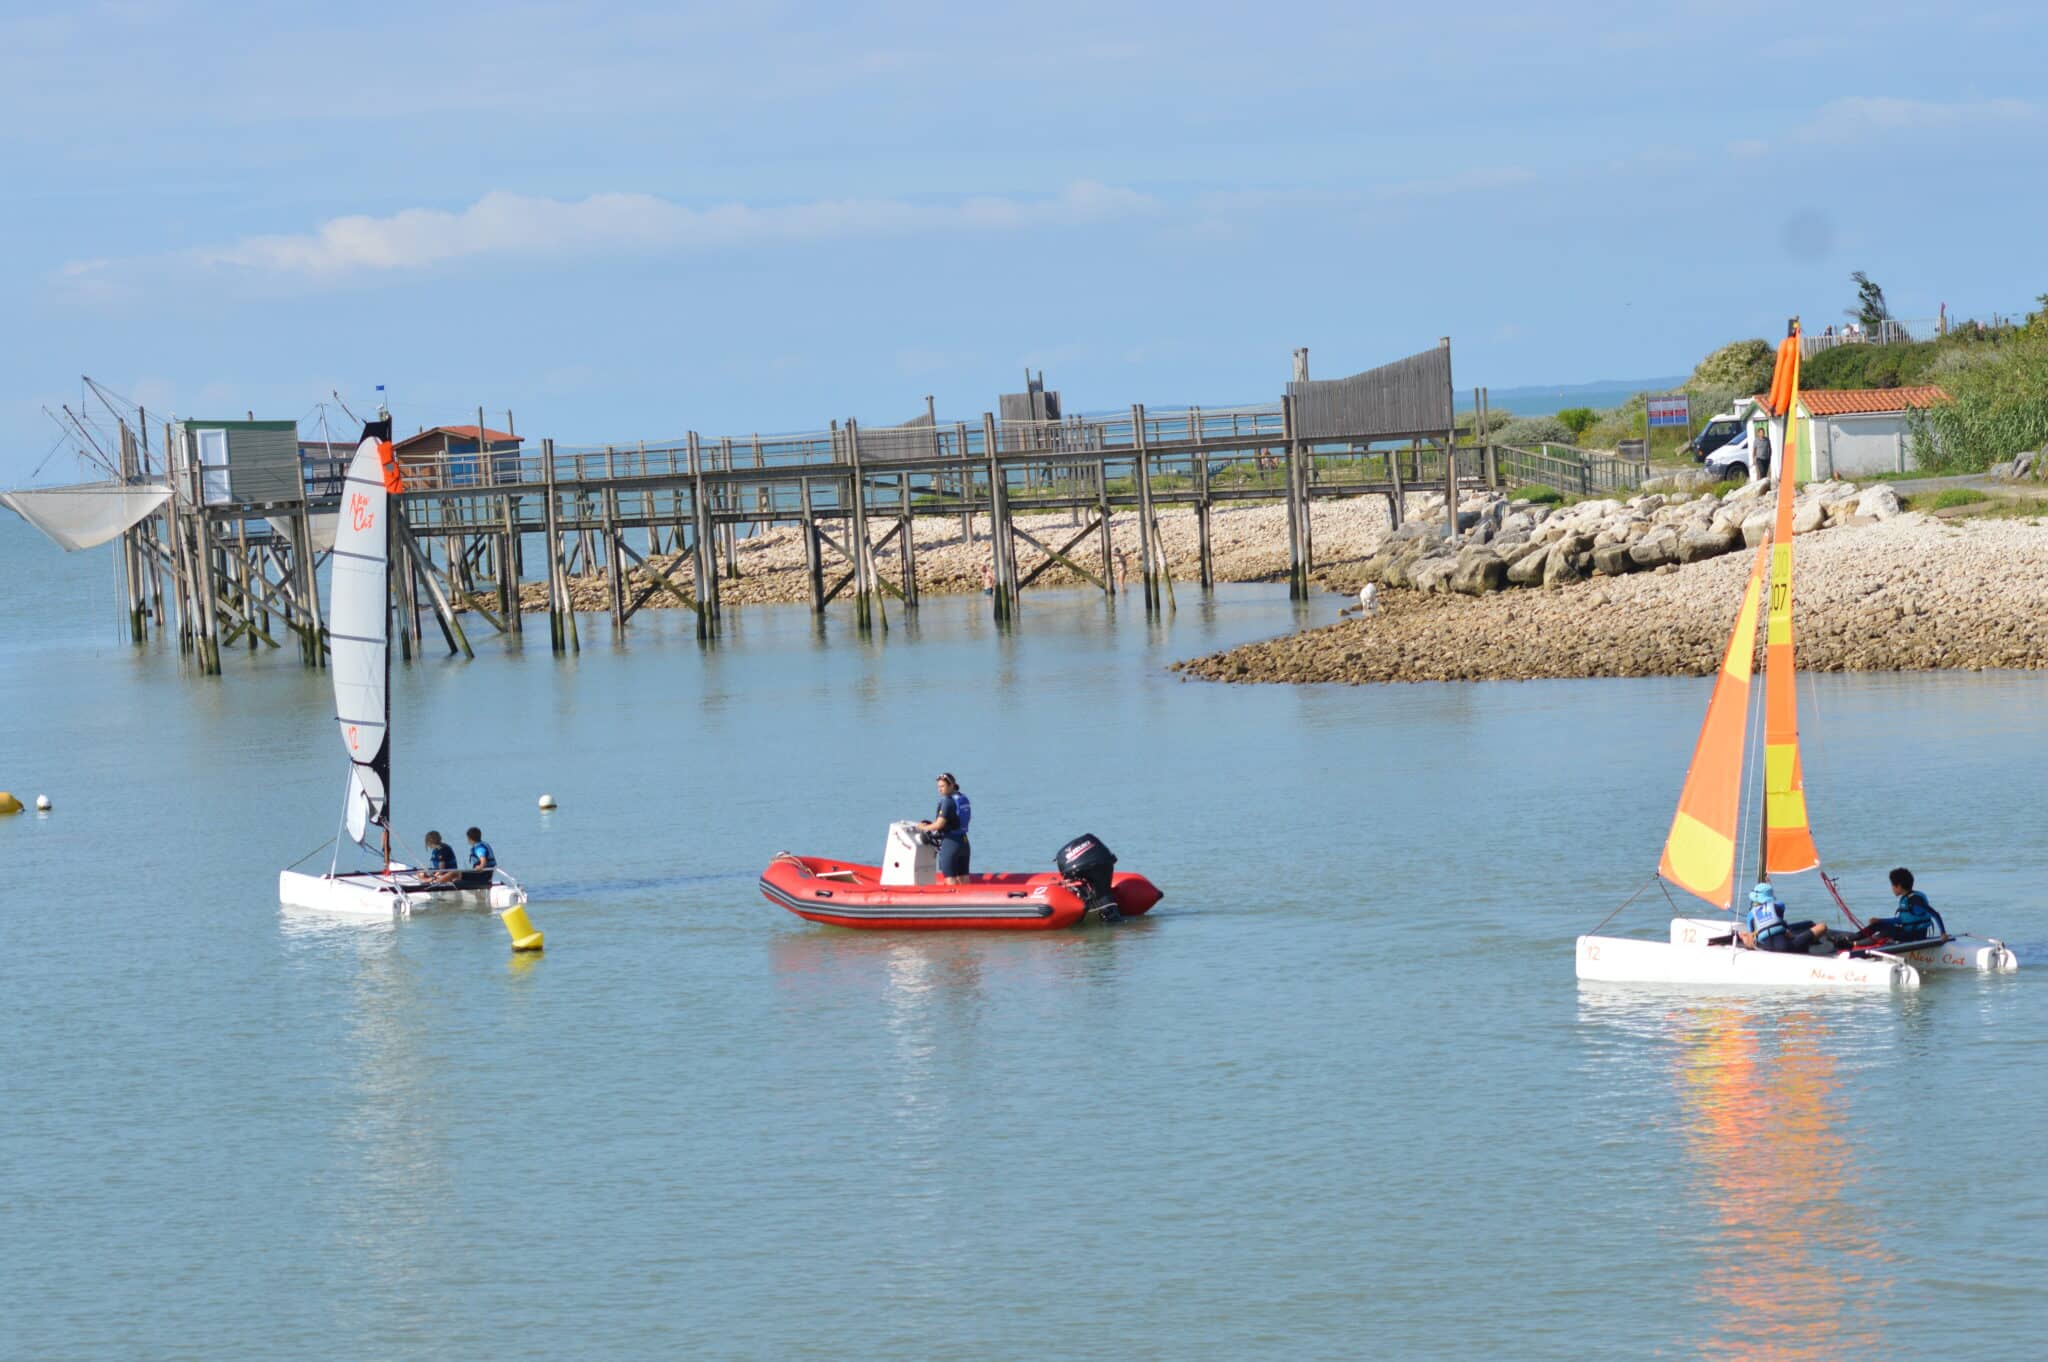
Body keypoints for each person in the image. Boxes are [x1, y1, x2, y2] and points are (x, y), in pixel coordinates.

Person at [1847, 868, 1945, 947]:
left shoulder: (1915, 900)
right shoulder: (1906, 898)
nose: (1892, 889)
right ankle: (1852, 938)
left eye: (1893, 886)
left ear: (1899, 886)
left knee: (1887, 932)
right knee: (1877, 925)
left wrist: (1943, 933)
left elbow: (1935, 914)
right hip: (1906, 932)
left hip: (1916, 935)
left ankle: (1854, 944)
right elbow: (1900, 920)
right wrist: (1880, 920)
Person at [1740, 881, 1829, 954]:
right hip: (1787, 948)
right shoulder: (1778, 906)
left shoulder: (1750, 916)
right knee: (1822, 926)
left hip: (1766, 949)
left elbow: (1751, 939)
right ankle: (1809, 945)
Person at [915, 772, 972, 885]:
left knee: (950, 878)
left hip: (950, 843)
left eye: (942, 786)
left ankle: (955, 901)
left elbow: (939, 824)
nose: (939, 789)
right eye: (938, 787)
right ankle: (967, 901)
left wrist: (924, 827)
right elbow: (966, 819)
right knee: (963, 877)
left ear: (951, 785)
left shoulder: (948, 801)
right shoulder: (963, 798)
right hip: (964, 842)